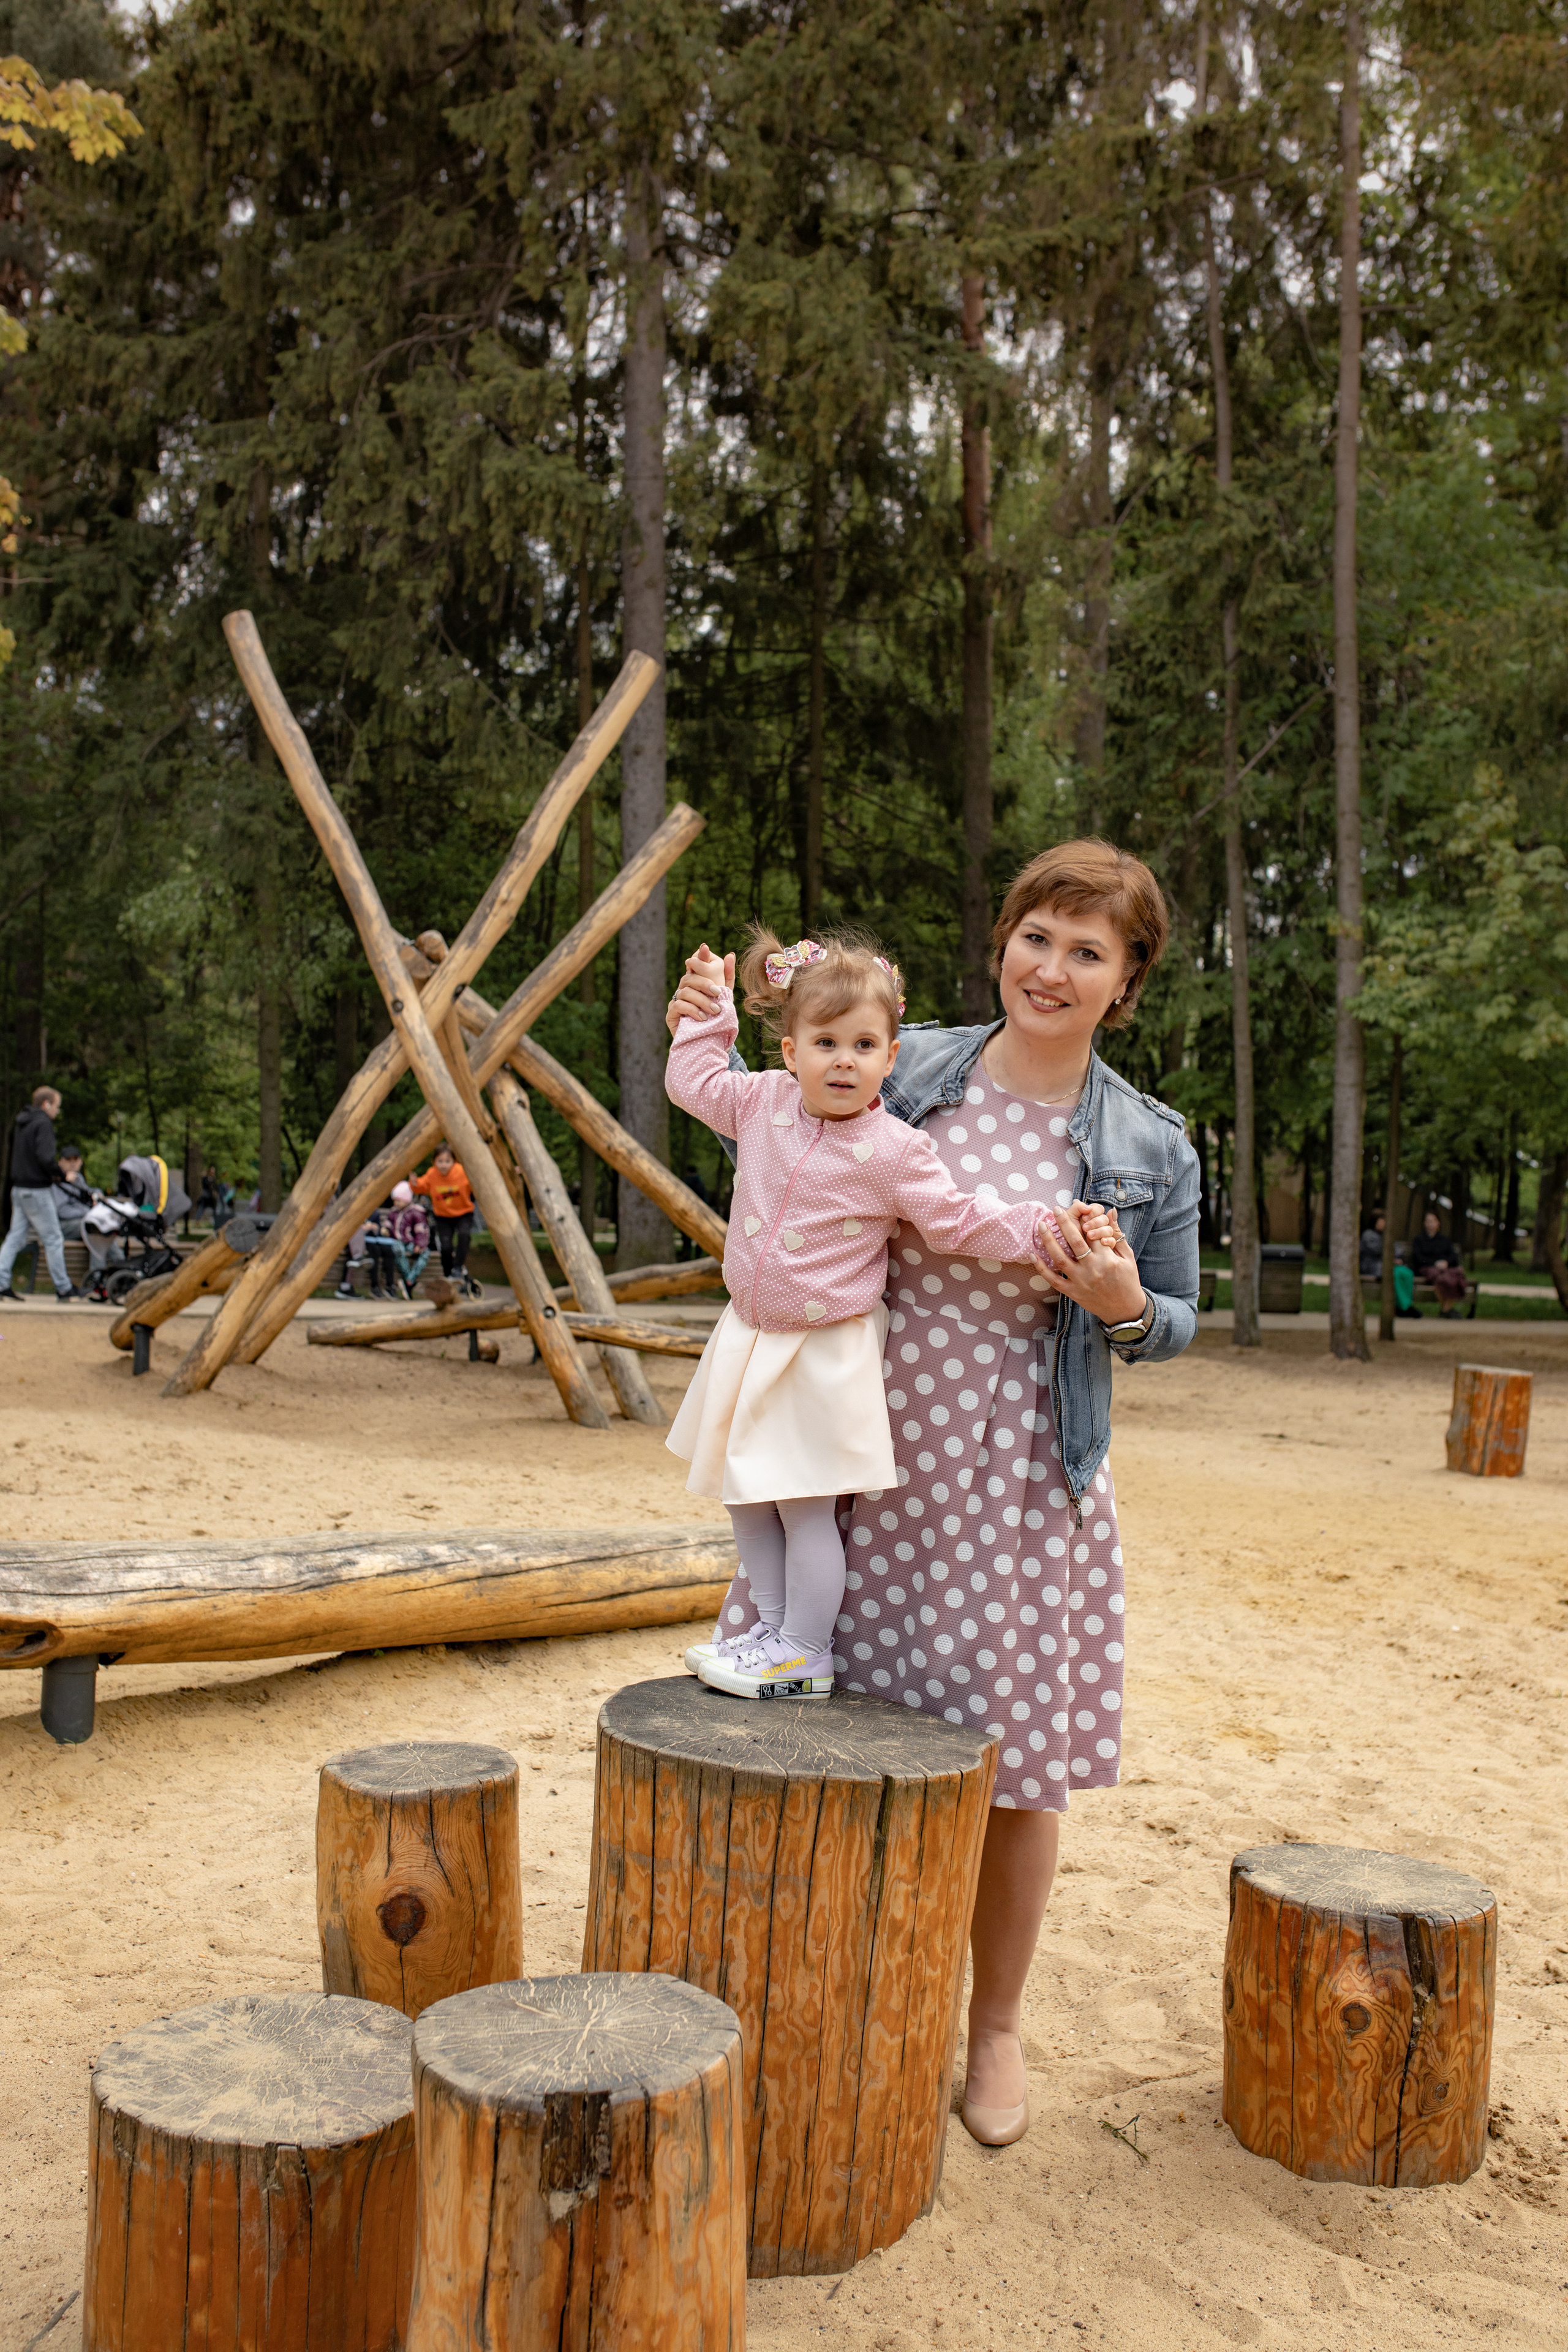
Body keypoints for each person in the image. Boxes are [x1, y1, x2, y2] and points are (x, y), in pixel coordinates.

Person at [667, 839, 1199, 2149]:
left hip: (1020, 1478)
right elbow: (775, 1088)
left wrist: (1127, 1309)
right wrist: (718, 1010)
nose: (1052, 967)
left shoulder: (1145, 1142)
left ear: (1124, 980)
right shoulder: (903, 1062)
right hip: (852, 1450)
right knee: (817, 1723)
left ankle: (993, 2024)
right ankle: (809, 2012)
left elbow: (1180, 1317)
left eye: (1088, 950)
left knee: (1012, 1772)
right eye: (1036, 935)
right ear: (1003, 940)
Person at [666, 928, 1065, 1705]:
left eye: (863, 1044)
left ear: (890, 1055)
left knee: (803, 1503)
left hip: (821, 1351)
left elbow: (957, 1221)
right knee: (746, 1493)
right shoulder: (761, 1102)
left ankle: (805, 1650)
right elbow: (693, 1082)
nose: (842, 1060)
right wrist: (710, 1009)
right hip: (749, 1337)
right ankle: (773, 1633)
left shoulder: (894, 1151)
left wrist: (1044, 1229)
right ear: (789, 1052)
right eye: (824, 1042)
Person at [0, 1087, 88, 1301]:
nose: (58, 1111)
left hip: (19, 1189)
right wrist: (61, 1175)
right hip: (37, 1191)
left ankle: (1, 1282)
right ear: (46, 1104)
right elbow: (45, 1158)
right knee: (54, 1238)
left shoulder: (22, 1123)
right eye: (57, 1106)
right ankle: (64, 1287)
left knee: (15, 1237)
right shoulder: (43, 1124)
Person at [413, 1144, 478, 1293]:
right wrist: (414, 1183)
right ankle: (448, 1273)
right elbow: (421, 1187)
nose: (443, 1165)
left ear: (454, 1162)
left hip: (464, 1213)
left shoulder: (462, 1172)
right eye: (440, 1161)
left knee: (464, 1235)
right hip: (443, 1216)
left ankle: (457, 1269)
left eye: (447, 1161)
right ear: (434, 1162)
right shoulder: (432, 1174)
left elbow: (476, 1184)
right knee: (446, 1246)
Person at [1411, 1208, 1467, 1316]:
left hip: (1445, 1269)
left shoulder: (1444, 1240)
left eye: (1433, 1221)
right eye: (1428, 1221)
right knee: (1441, 1279)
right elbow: (1418, 1259)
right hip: (1427, 1269)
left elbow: (1453, 1258)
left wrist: (1445, 1263)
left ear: (1438, 1223)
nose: (1430, 1224)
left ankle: (1445, 1309)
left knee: (1455, 1276)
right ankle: (1446, 1311)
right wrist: (1435, 1264)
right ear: (1424, 1223)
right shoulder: (1419, 1240)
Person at [1361, 1212, 1418, 1316]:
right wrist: (1390, 1259)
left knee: (1408, 1273)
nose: (1384, 1224)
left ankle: (1407, 1305)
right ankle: (1403, 1307)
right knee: (1395, 1274)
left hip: (1392, 1265)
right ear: (1375, 1222)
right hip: (1375, 1266)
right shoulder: (1368, 1235)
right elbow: (1376, 1251)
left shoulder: (1388, 1235)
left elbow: (1398, 1252)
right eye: (1381, 1221)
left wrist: (1400, 1259)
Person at [389, 1182, 432, 1297]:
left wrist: (420, 1245)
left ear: (407, 1199)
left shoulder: (416, 1213)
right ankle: (410, 1281)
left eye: (398, 1200)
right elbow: (388, 1224)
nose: (395, 1203)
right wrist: (385, 1229)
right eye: (395, 1200)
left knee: (426, 1252)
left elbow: (421, 1231)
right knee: (398, 1249)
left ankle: (409, 1280)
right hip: (396, 1241)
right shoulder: (394, 1212)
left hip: (410, 1242)